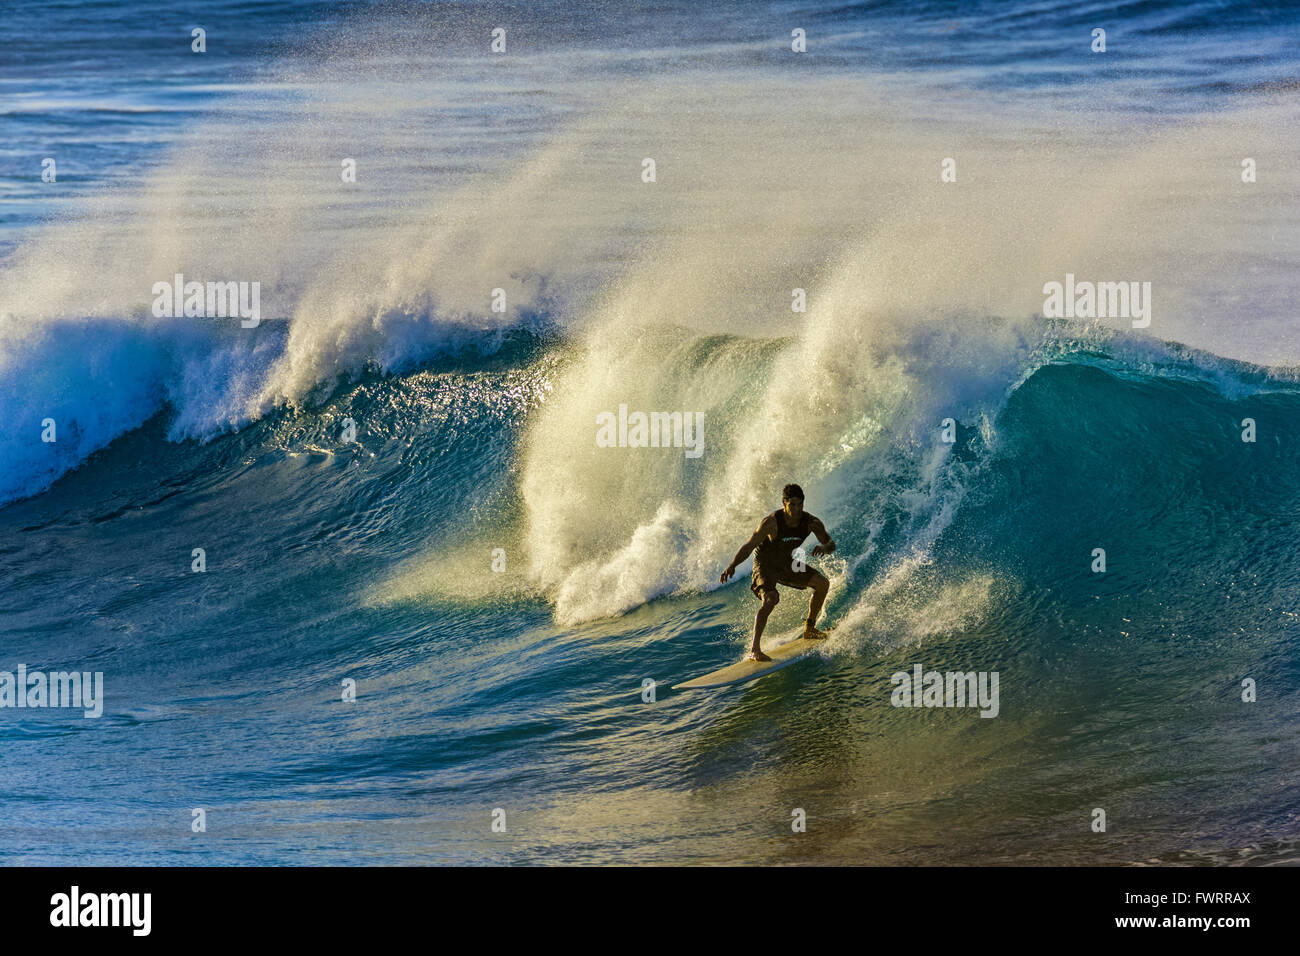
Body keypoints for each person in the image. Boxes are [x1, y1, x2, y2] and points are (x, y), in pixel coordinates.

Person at [719, 483, 835, 661]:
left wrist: (823, 547)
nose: (796, 510)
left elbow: (830, 544)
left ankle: (809, 628)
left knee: (822, 584)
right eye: (792, 505)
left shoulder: (811, 523)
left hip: (786, 563)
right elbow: (750, 545)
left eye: (800, 505)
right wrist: (733, 565)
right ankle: (755, 650)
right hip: (764, 564)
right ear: (784, 503)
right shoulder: (771, 522)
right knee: (771, 598)